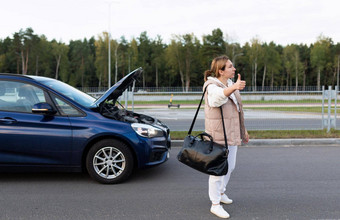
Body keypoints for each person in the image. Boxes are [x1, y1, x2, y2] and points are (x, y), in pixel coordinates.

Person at [203, 55, 249, 219]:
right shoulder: (211, 86)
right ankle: (215, 204)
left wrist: (243, 131)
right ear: (220, 71)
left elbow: (237, 110)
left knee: (230, 167)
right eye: (230, 67)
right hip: (217, 136)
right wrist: (234, 87)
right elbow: (216, 100)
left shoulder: (229, 84)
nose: (234, 68)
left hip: (231, 133)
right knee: (217, 171)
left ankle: (221, 193)